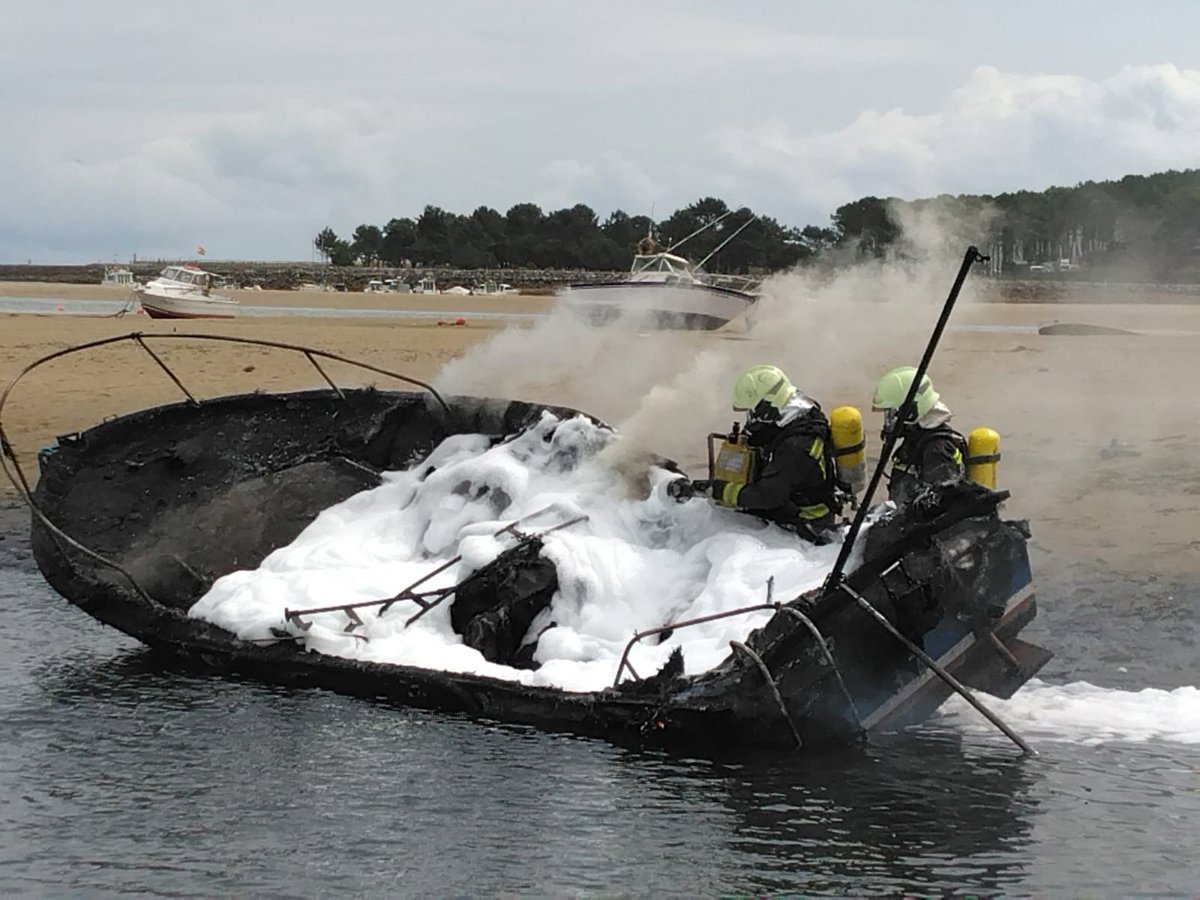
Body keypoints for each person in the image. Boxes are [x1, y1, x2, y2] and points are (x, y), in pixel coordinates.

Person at [670, 364, 840, 539]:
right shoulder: (791, 419)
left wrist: (715, 490)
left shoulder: (796, 446)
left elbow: (767, 496)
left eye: (753, 411)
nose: (751, 418)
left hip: (807, 524)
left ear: (767, 407)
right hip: (786, 504)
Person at [871, 366, 967, 505]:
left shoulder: (936, 450)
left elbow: (937, 507)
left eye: (891, 414)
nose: (888, 422)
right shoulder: (917, 440)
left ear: (911, 411)